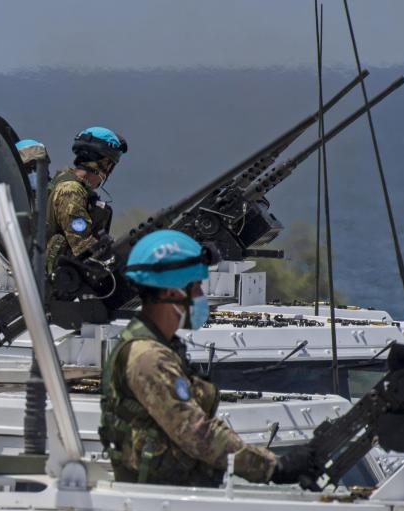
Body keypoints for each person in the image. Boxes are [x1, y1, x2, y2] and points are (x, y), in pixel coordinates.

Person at [99, 229, 312, 486]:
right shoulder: (148, 357)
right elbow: (196, 432)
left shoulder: (162, 347)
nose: (201, 297)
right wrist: (273, 468)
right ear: (172, 292)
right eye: (197, 287)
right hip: (158, 499)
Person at [44, 126, 126, 277]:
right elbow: (82, 246)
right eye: (110, 165)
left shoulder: (71, 185)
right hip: (61, 280)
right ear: (105, 163)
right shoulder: (71, 190)